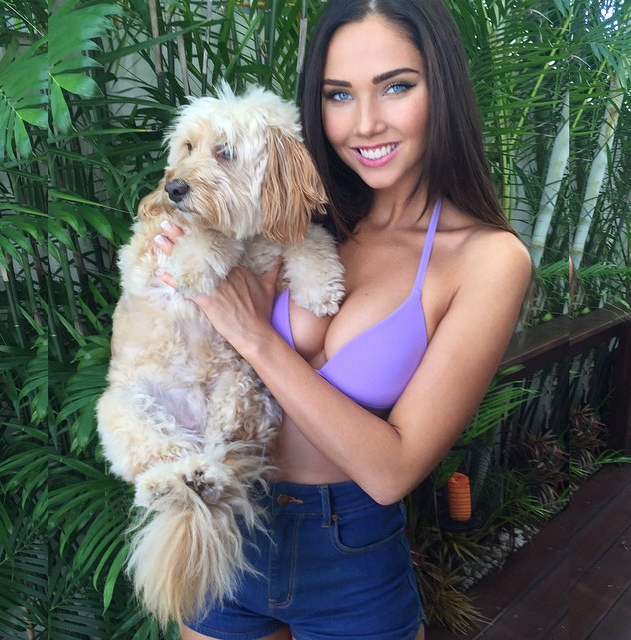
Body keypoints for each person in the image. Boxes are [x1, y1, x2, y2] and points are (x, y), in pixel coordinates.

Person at [156, 1, 532, 638]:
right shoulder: (294, 212)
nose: (364, 123)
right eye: (339, 94)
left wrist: (256, 336)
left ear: (441, 89)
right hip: (222, 520)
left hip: (348, 554)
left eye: (396, 86)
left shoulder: (487, 259)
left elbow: (392, 472)